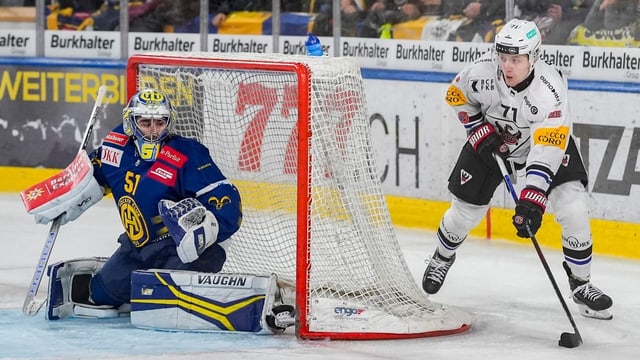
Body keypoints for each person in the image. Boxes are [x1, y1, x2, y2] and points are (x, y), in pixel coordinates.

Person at [422, 19, 613, 320]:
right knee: (464, 213)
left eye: (516, 60)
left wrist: (531, 199)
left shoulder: (550, 90)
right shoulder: (481, 71)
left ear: (533, 57)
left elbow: (546, 150)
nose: (507, 66)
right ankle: (442, 257)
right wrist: (477, 130)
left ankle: (581, 285)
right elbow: (456, 97)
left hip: (539, 148)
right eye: (504, 58)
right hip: (490, 143)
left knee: (573, 206)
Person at [32, 89, 246, 319]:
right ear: (131, 123)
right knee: (100, 295)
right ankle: (134, 293)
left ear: (169, 122)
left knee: (163, 303)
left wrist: (205, 230)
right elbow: (93, 176)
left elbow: (227, 200)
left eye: (160, 123)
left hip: (186, 251)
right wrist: (69, 194)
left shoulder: (187, 152)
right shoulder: (115, 146)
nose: (153, 131)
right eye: (145, 123)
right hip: (139, 247)